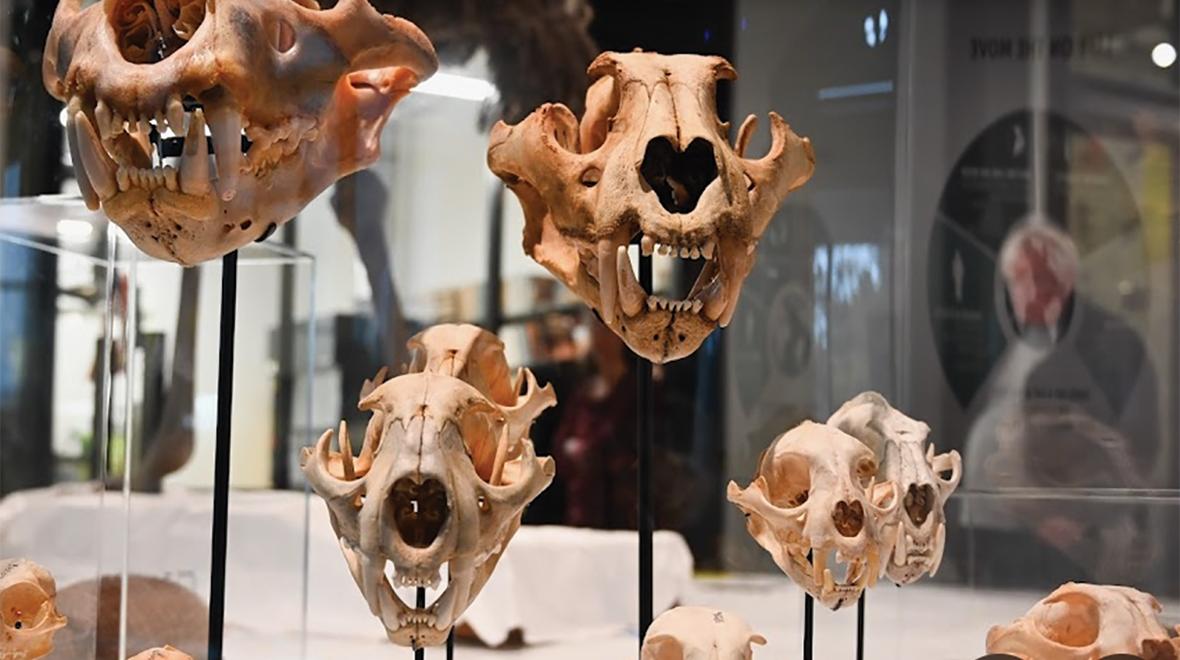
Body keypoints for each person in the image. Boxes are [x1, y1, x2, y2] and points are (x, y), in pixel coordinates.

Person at [962, 220, 1164, 588]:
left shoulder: (1115, 345)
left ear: (1067, 279)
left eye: (1042, 278)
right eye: (1019, 281)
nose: (1030, 292)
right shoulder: (1003, 344)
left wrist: (1069, 516)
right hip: (995, 530)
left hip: (1074, 543)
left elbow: (1139, 449)